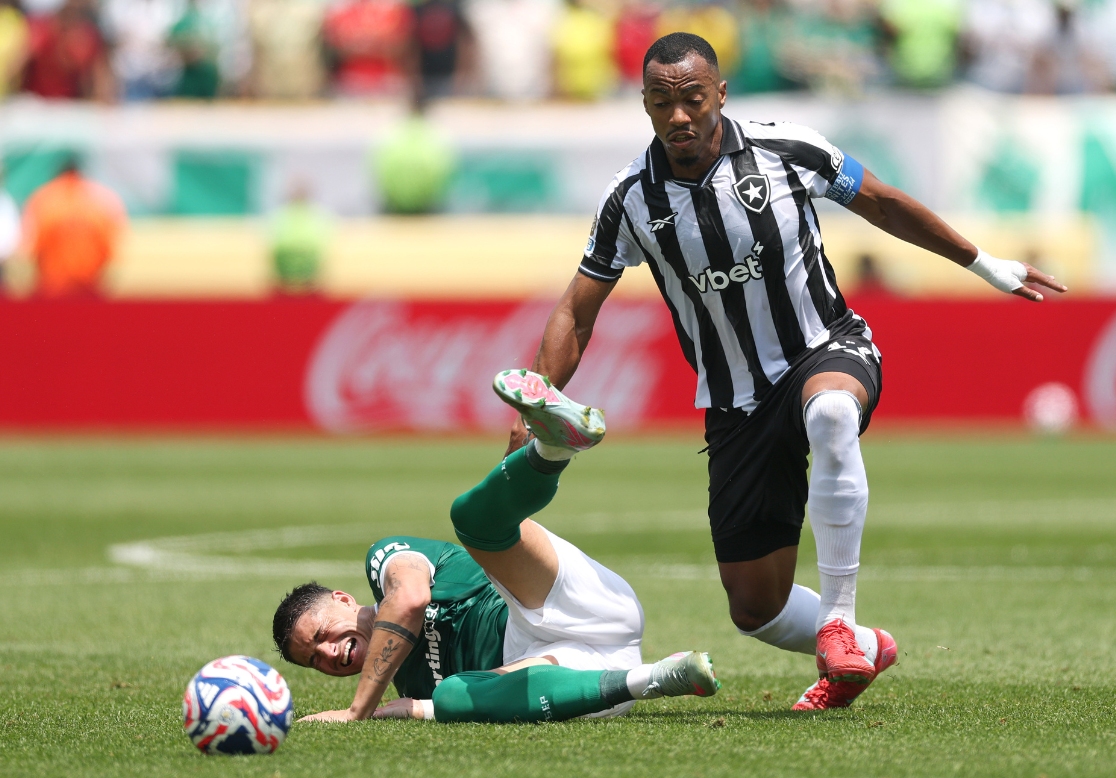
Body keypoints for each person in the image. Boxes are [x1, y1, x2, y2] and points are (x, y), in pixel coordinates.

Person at [506, 32, 1066, 711]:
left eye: (692, 100)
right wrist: (535, 403)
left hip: (825, 348)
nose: (678, 117)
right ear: (646, 105)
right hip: (736, 403)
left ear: (720, 93)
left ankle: (837, 622)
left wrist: (983, 263)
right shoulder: (629, 198)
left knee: (831, 414)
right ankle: (865, 643)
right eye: (660, 104)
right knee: (755, 608)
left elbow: (882, 203)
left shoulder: (786, 147)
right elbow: (577, 311)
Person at [274, 373, 720, 723]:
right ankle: (662, 676)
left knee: (469, 520)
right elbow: (478, 696)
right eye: (314, 661)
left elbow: (409, 600)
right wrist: (421, 707)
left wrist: (358, 711)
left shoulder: (385, 559)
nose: (329, 654)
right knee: (449, 697)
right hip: (584, 675)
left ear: (342, 599)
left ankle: (552, 448)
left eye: (320, 636)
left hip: (569, 602)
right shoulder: (407, 687)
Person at [20, 156, 126, 298]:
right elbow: (112, 250)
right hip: (90, 286)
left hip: (52, 289)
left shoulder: (43, 199)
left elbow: (31, 248)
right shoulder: (103, 200)